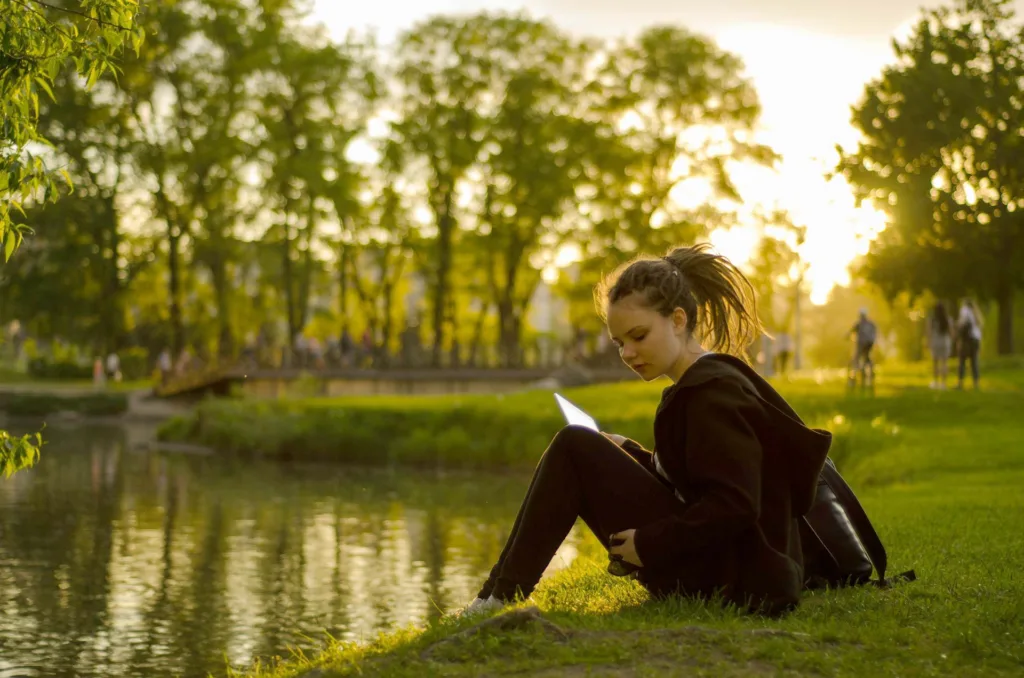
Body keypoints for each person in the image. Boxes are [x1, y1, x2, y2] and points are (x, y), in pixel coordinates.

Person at [456, 244, 831, 619]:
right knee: (581, 447)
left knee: (574, 445)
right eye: (620, 343)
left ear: (678, 320)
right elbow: (697, 482)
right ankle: (494, 594)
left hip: (737, 582)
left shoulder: (711, 393)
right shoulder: (703, 383)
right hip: (723, 567)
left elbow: (737, 504)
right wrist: (630, 453)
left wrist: (650, 544)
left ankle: (498, 596)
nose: (628, 353)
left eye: (639, 336)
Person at [956, 299, 982, 390]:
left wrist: (959, 337)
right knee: (974, 361)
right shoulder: (976, 313)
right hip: (976, 339)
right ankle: (976, 383)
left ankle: (960, 383)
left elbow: (961, 324)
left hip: (967, 339)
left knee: (962, 361)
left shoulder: (965, 310)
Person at [927, 302, 953, 389]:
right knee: (944, 363)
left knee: (935, 363)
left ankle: (935, 382)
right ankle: (943, 383)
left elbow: (929, 332)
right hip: (945, 342)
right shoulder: (948, 319)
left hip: (935, 342)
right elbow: (951, 332)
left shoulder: (932, 320)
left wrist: (928, 342)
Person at [849, 309, 877, 385]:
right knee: (867, 357)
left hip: (861, 343)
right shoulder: (871, 323)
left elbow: (851, 331)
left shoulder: (859, 323)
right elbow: (875, 332)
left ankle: (853, 376)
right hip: (869, 343)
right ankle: (871, 370)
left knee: (857, 357)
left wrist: (847, 336)